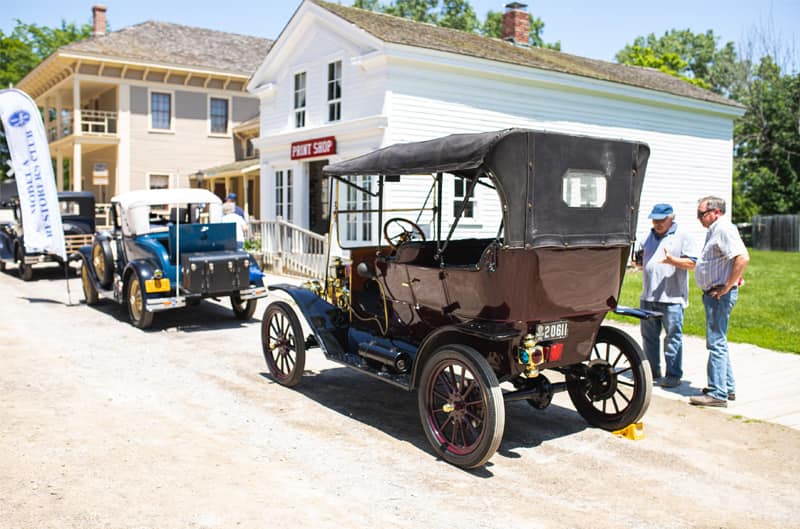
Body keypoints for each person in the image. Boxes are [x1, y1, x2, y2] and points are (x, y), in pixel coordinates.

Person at [690, 196, 749, 408]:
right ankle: (727, 387)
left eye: (701, 214)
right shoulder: (715, 229)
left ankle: (718, 392)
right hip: (714, 294)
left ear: (715, 212)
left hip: (719, 296)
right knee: (719, 341)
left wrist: (728, 285)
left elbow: (742, 258)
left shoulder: (723, 228)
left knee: (716, 343)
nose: (699, 218)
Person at [636, 203, 697, 388]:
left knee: (672, 338)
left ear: (671, 218)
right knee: (649, 338)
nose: (657, 223)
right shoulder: (648, 236)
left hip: (672, 299)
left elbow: (692, 263)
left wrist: (672, 261)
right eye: (655, 220)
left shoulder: (683, 236)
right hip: (648, 297)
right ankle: (652, 372)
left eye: (661, 220)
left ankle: (673, 375)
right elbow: (642, 260)